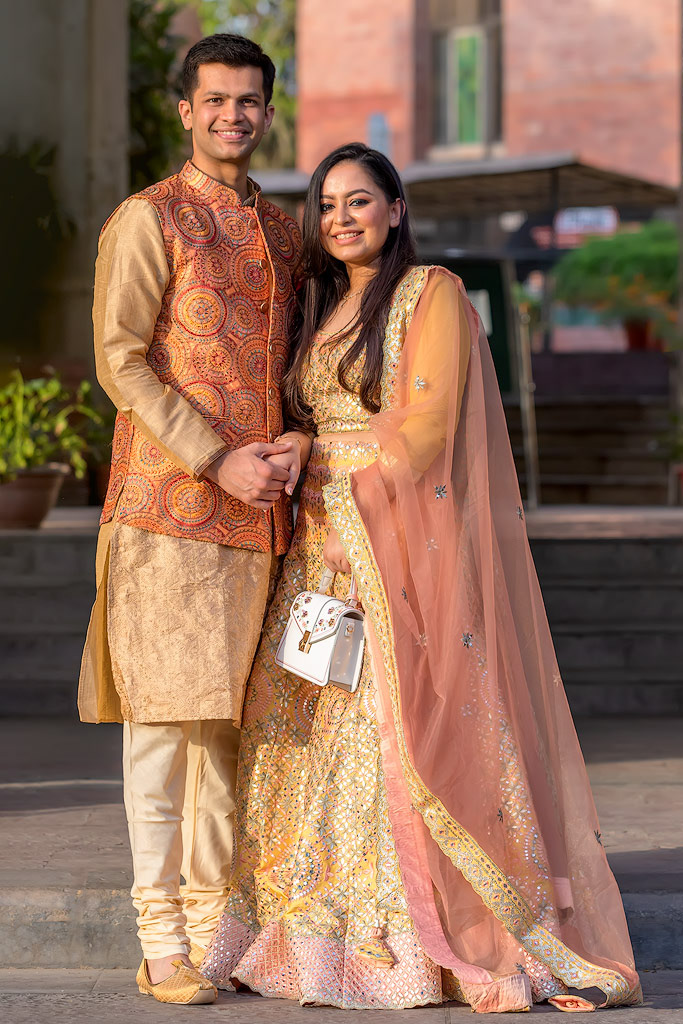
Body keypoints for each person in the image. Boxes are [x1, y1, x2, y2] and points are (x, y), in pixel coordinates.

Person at [200, 143, 642, 1013]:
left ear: (396, 210)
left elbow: (428, 427)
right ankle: (319, 936)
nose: (341, 219)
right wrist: (298, 452)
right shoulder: (323, 301)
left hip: (390, 542)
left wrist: (342, 486)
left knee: (396, 736)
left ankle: (419, 944)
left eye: (359, 201)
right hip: (315, 548)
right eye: (328, 205)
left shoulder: (427, 291)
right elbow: (322, 415)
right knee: (310, 740)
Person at [77, 34, 310, 1006]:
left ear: (267, 112)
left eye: (248, 100)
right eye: (215, 99)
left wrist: (296, 438)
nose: (232, 115)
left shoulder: (287, 233)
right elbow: (120, 358)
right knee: (164, 731)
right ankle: (159, 940)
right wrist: (215, 457)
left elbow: (301, 366)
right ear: (185, 110)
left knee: (228, 736)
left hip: (261, 525)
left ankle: (216, 937)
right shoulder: (149, 218)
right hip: (166, 512)